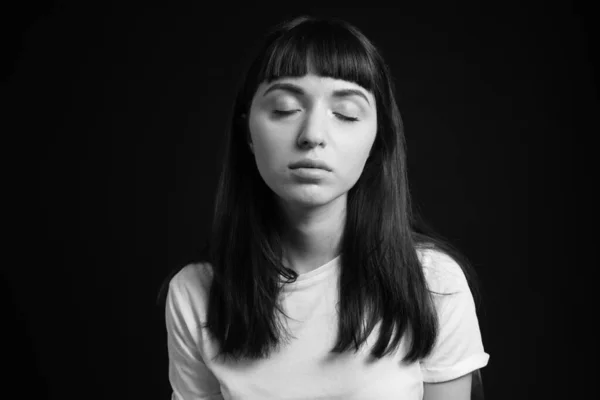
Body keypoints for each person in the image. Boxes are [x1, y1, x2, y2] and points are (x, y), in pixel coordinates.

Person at [162, 14, 490, 400]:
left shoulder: (433, 284)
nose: (313, 135)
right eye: (284, 109)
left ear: (376, 141)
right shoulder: (196, 293)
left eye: (346, 113)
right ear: (247, 131)